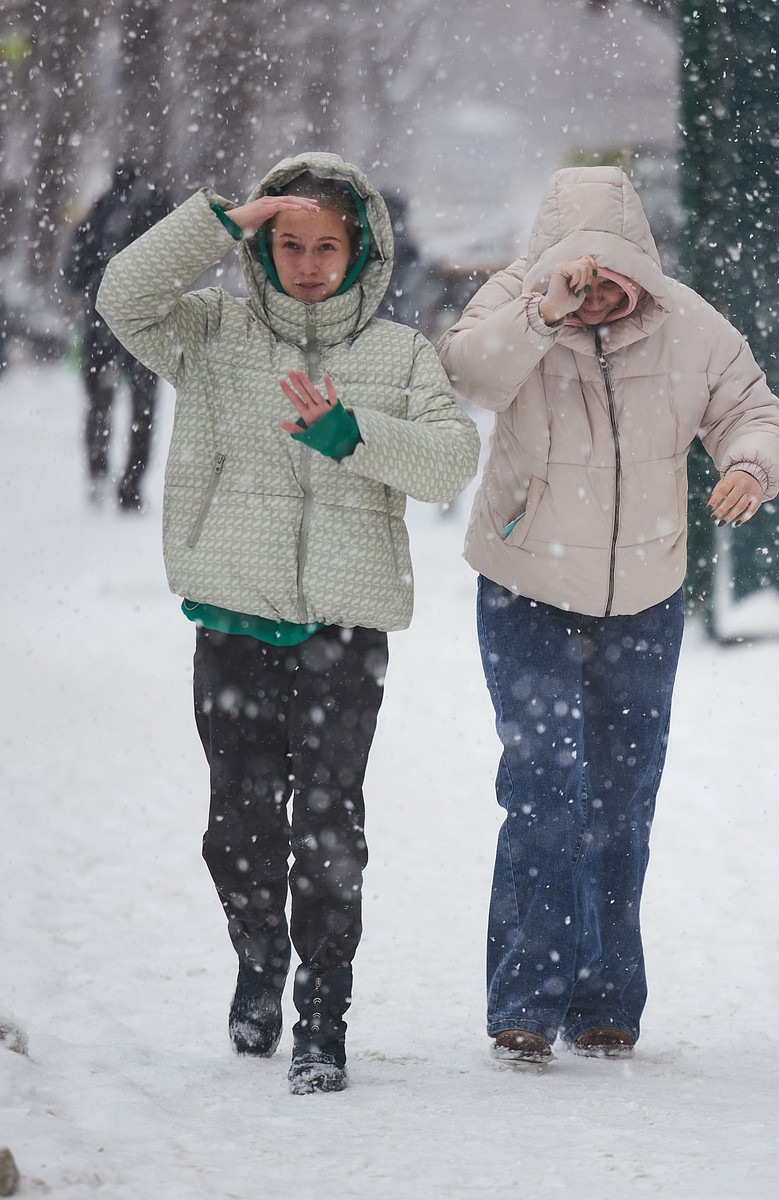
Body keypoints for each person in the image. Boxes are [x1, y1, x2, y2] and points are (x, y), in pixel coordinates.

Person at [97, 151, 480, 1094]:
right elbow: (121, 297)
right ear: (264, 249)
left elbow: (447, 461)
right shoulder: (212, 333)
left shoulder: (400, 355)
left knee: (328, 825)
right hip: (234, 619)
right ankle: (259, 956)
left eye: (327, 246)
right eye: (290, 245)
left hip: (344, 633)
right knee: (237, 829)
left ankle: (323, 1011)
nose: (308, 263)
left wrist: (352, 434)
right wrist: (218, 222)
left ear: (361, 252)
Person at [437, 165, 779, 1064]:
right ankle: (524, 998)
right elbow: (467, 376)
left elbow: (754, 407)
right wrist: (542, 310)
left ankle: (607, 999)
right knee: (545, 791)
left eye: (610, 282)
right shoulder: (514, 307)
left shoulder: (690, 326)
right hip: (525, 589)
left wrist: (749, 463)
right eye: (579, 280)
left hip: (643, 599)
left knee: (621, 801)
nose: (595, 298)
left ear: (641, 266)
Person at [64, 159, 171, 510]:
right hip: (144, 324)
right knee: (142, 410)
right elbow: (174, 265)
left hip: (100, 324)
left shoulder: (97, 211)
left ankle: (97, 473)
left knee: (99, 405)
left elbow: (73, 273)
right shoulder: (156, 206)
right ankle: (131, 485)